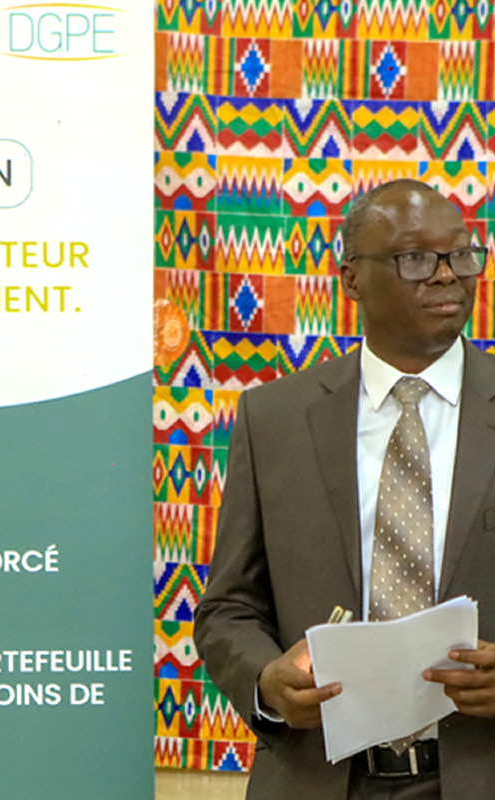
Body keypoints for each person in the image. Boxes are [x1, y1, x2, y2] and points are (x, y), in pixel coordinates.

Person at [193, 179, 495, 800]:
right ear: (351, 279)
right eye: (415, 258)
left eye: (462, 255)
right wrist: (266, 682)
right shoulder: (274, 420)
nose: (446, 275)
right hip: (319, 778)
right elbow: (228, 608)